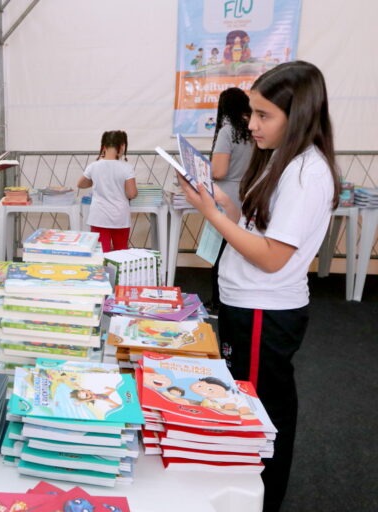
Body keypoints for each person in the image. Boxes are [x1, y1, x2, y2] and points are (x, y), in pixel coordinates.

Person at [177, 60, 339, 512]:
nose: (252, 124)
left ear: (299, 114)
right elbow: (260, 229)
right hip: (246, 303)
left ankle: (261, 500)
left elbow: (271, 256)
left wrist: (211, 215)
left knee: (263, 413)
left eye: (264, 115)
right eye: (251, 112)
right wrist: (222, 203)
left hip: (264, 311)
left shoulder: (307, 173)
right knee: (247, 405)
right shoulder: (282, 162)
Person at [207, 88, 253, 311]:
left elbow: (218, 172)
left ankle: (217, 302)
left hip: (226, 196)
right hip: (249, 194)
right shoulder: (253, 131)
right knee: (240, 250)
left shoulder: (228, 132)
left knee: (219, 251)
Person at [77, 130, 137, 252]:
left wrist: (96, 180)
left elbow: (80, 184)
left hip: (99, 217)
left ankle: (103, 271)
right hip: (120, 218)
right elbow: (131, 193)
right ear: (122, 146)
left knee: (101, 254)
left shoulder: (94, 166)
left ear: (103, 147)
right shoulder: (127, 167)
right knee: (121, 254)